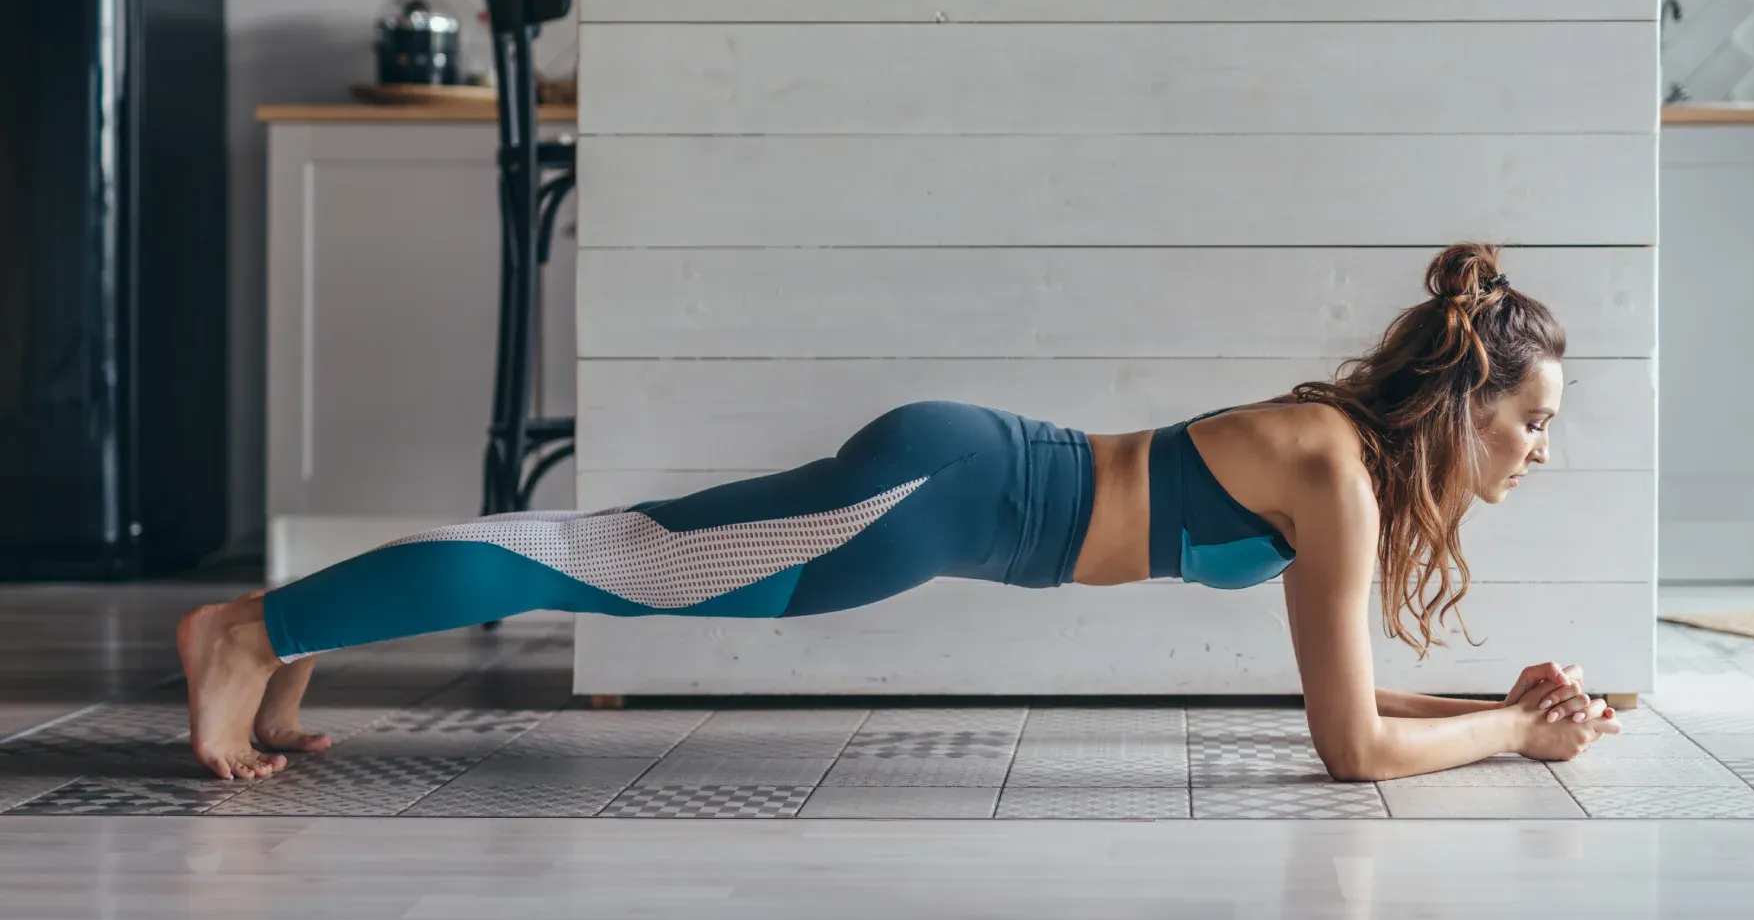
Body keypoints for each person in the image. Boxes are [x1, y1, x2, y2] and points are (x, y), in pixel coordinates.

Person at [177, 242, 1618, 780]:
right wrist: (1518, 737)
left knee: (604, 560)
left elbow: (1352, 704)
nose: (1540, 453)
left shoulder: (1341, 473)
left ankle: (297, 635)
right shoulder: (1335, 472)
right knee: (598, 564)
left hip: (949, 500)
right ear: (1464, 401)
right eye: (1534, 423)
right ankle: (249, 633)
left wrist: (1500, 703)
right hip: (939, 494)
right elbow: (1348, 751)